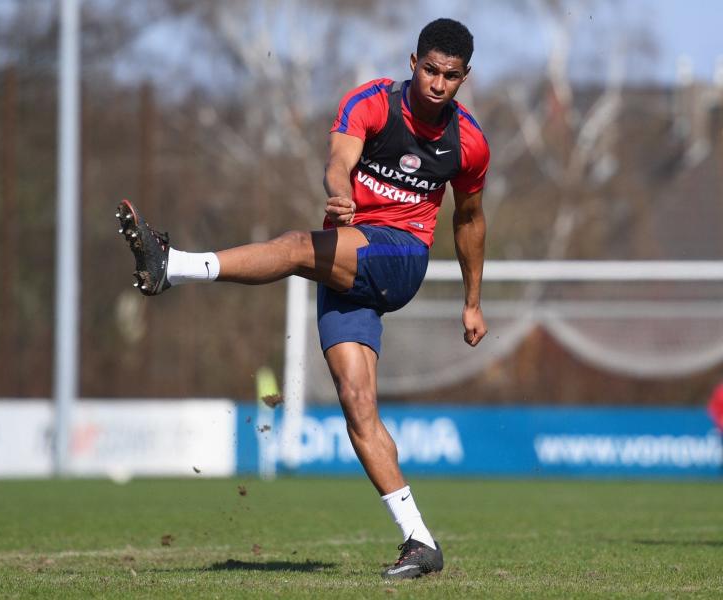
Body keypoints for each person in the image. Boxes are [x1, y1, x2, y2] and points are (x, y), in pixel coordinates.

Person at [117, 17, 488, 580]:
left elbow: (468, 220)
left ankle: (173, 267)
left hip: (401, 256)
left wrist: (473, 301)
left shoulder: (469, 143)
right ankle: (420, 541)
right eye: (431, 70)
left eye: (451, 76)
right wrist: (340, 194)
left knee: (293, 247)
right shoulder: (372, 103)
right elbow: (339, 159)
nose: (438, 84)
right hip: (348, 261)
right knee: (356, 403)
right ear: (413, 64)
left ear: (465, 79)